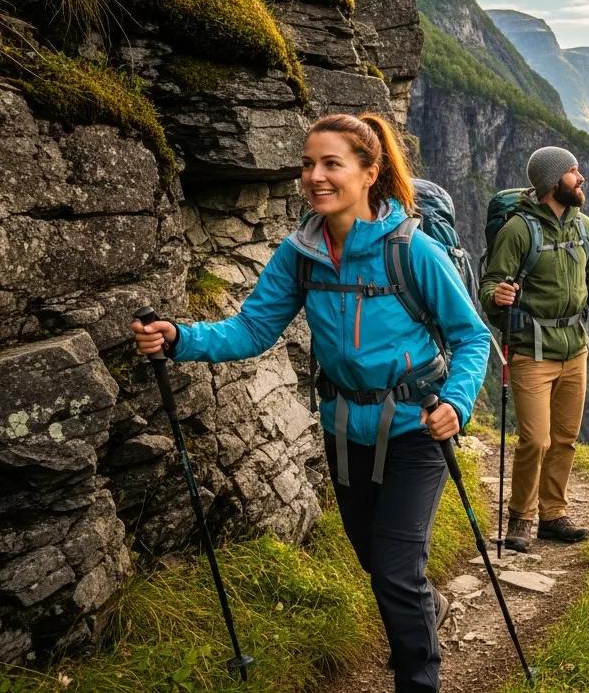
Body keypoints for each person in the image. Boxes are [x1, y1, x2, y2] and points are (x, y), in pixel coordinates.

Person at [132, 113, 490, 693]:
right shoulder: (301, 253)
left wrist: (457, 402)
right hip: (344, 429)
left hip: (416, 429)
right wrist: (179, 337)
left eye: (331, 164)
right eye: (307, 164)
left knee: (396, 572)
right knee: (379, 564)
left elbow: (471, 335)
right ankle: (426, 608)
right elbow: (252, 330)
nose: (315, 177)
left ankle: (418, 679)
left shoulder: (413, 251)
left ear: (370, 172)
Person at [479, 146, 589, 552]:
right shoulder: (519, 231)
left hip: (575, 349)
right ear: (551, 182)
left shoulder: (584, 228)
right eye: (574, 172)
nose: (581, 178)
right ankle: (520, 518)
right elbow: (489, 286)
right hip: (531, 351)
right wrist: (499, 296)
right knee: (535, 440)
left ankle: (553, 515)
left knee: (565, 438)